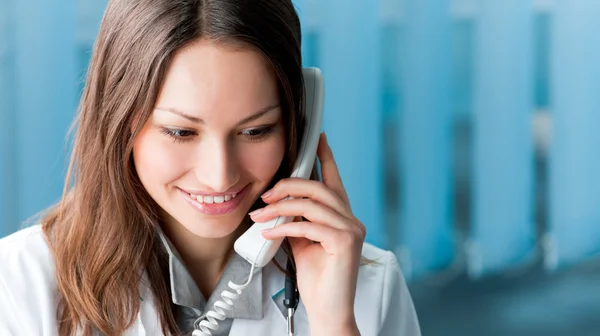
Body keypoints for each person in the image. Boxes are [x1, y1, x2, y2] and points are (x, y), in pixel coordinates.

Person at [0, 0, 421, 335]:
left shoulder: (369, 288)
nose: (219, 175)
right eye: (181, 132)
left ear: (299, 124)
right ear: (118, 120)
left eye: (256, 131)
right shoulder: (20, 283)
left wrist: (334, 326)